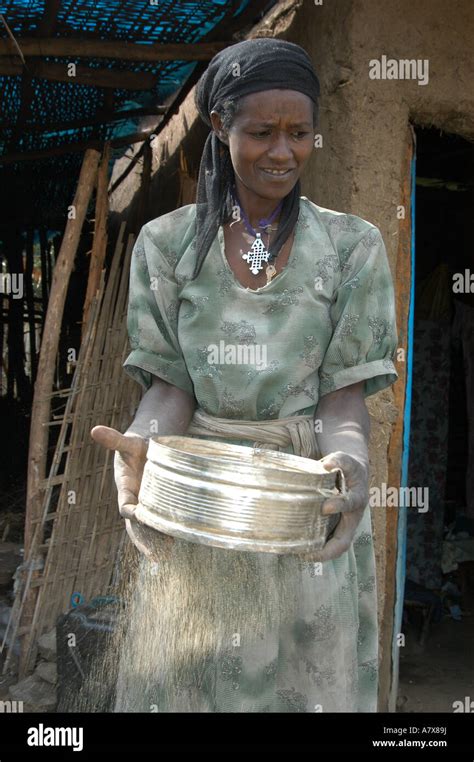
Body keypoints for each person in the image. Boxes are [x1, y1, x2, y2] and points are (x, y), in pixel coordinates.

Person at [91, 37, 398, 712]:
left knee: (299, 688)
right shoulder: (166, 247)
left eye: (300, 134)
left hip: (302, 506)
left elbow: (343, 398)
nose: (283, 152)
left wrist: (349, 461)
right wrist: (143, 449)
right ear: (220, 126)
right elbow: (169, 387)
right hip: (201, 505)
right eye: (262, 132)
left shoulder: (352, 247)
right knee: (194, 687)